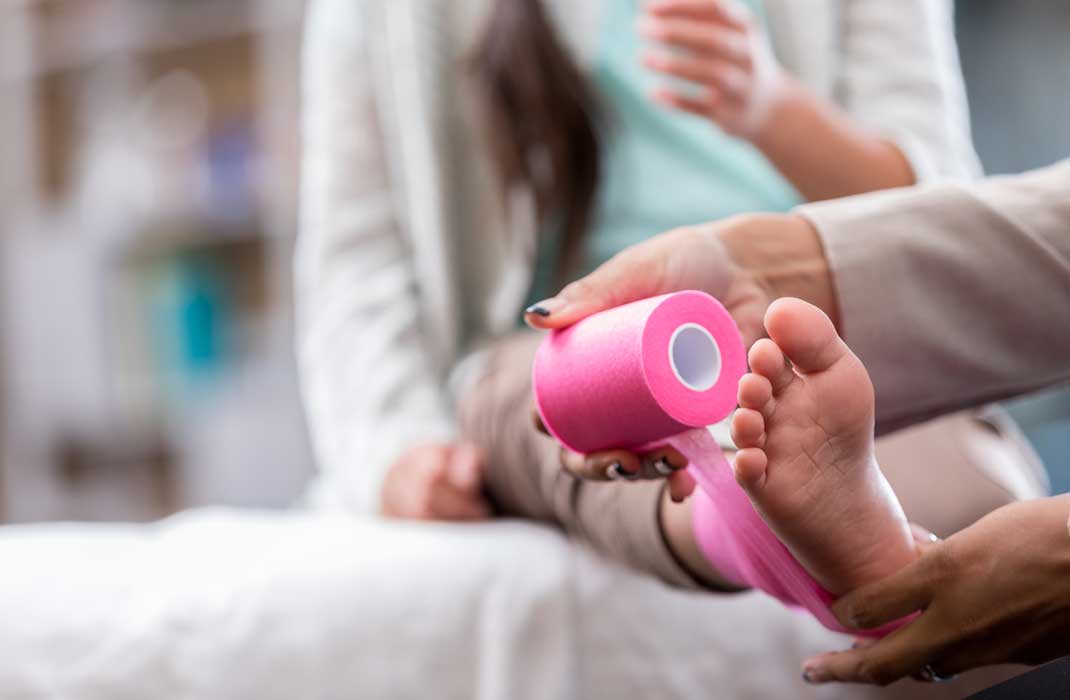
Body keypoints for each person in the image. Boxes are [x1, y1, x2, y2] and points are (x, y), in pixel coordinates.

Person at [298, 0, 1039, 549]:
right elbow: (355, 259)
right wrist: (394, 452)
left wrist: (773, 109)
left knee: (971, 508)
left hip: (811, 327)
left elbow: (938, 226)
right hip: (569, 348)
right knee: (602, 421)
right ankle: (744, 537)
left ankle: (767, 534)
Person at [521, 160, 1070, 684]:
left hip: (745, 323)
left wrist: (769, 119)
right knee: (523, 393)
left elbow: (919, 170)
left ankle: (748, 531)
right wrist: (753, 267)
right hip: (638, 318)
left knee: (539, 407)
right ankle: (764, 530)